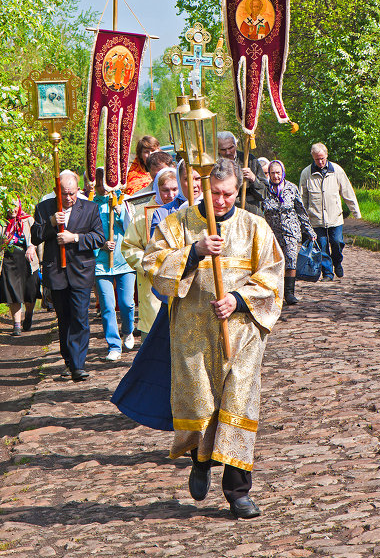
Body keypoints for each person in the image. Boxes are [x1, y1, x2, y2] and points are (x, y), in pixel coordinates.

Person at [143, 158, 284, 519]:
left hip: (242, 335)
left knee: (239, 404)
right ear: (205, 190)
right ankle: (201, 460)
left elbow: (273, 277)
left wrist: (238, 299)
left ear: (238, 190)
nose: (222, 201)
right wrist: (194, 251)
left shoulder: (255, 227)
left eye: (229, 194)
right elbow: (153, 266)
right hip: (192, 332)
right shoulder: (179, 224)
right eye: (216, 194)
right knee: (202, 403)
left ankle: (238, 492)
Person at [32, 172, 105, 382]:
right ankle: (68, 360)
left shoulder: (90, 208)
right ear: (57, 191)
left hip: (81, 271)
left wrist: (75, 238)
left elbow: (99, 237)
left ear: (78, 191)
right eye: (65, 194)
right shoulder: (45, 208)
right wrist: (52, 223)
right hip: (56, 272)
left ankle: (78, 365)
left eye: (73, 194)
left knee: (80, 318)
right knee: (64, 319)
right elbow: (36, 237)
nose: (69, 198)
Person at [121, 164, 176, 341]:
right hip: (152, 283)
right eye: (165, 190)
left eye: (175, 189)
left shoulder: (186, 210)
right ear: (157, 190)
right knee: (154, 341)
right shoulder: (143, 214)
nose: (171, 195)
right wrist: (146, 264)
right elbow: (129, 245)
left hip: (179, 281)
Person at [299, 142, 361, 280]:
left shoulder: (337, 170)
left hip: (335, 217)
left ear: (326, 155)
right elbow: (302, 197)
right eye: (317, 159)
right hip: (315, 218)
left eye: (322, 158)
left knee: (337, 242)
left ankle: (337, 261)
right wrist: (302, 219)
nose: (320, 162)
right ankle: (327, 273)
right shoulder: (306, 173)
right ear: (313, 158)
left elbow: (347, 191)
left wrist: (355, 212)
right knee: (322, 246)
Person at [93, 168, 136, 362]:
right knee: (108, 306)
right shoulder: (91, 206)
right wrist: (100, 245)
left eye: (106, 182)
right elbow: (87, 234)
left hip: (124, 261)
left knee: (126, 303)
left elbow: (133, 229)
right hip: (101, 264)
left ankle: (128, 330)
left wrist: (120, 212)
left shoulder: (124, 202)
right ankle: (113, 345)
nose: (103, 186)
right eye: (99, 182)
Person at [260, 160, 316, 305]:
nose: (275, 176)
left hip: (290, 231)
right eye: (272, 173)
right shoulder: (264, 190)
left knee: (291, 259)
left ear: (283, 173)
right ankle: (277, 293)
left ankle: (290, 294)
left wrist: (309, 230)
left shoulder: (291, 188)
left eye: (278, 173)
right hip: (272, 233)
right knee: (276, 263)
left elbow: (300, 211)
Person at [0, 197, 40, 336]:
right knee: (13, 293)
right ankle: (17, 325)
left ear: (19, 205)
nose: (12, 209)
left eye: (14, 206)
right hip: (9, 261)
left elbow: (38, 239)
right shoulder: (0, 224)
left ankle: (29, 313)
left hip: (28, 260)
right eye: (8, 206)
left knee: (30, 293)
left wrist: (34, 250)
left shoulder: (29, 220)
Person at [217, 131, 265, 216]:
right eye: (223, 150)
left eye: (230, 148)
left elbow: (264, 194)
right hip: (226, 214)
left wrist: (253, 179)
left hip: (251, 213)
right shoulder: (214, 164)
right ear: (218, 149)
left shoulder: (249, 160)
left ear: (236, 145)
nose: (228, 152)